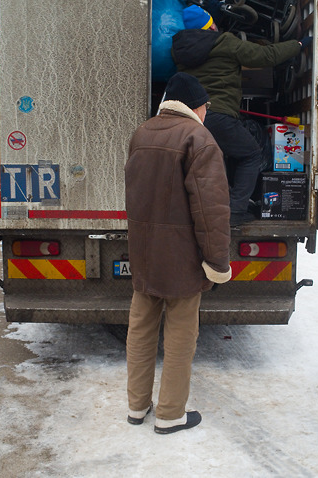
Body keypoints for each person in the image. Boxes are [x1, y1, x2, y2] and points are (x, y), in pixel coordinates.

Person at [125, 72, 232, 434]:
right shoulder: (199, 138)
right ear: (196, 105)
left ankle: (137, 407)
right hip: (182, 261)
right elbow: (211, 210)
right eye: (206, 106)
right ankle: (171, 414)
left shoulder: (142, 133)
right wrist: (217, 262)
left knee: (140, 331)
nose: (207, 112)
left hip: (144, 255)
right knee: (180, 335)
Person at [172, 4, 311, 226]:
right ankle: (235, 212)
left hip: (191, 120)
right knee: (250, 155)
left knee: (213, 162)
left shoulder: (180, 51)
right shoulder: (224, 42)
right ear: (210, 27)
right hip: (218, 115)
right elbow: (265, 56)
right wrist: (297, 45)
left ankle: (203, 210)